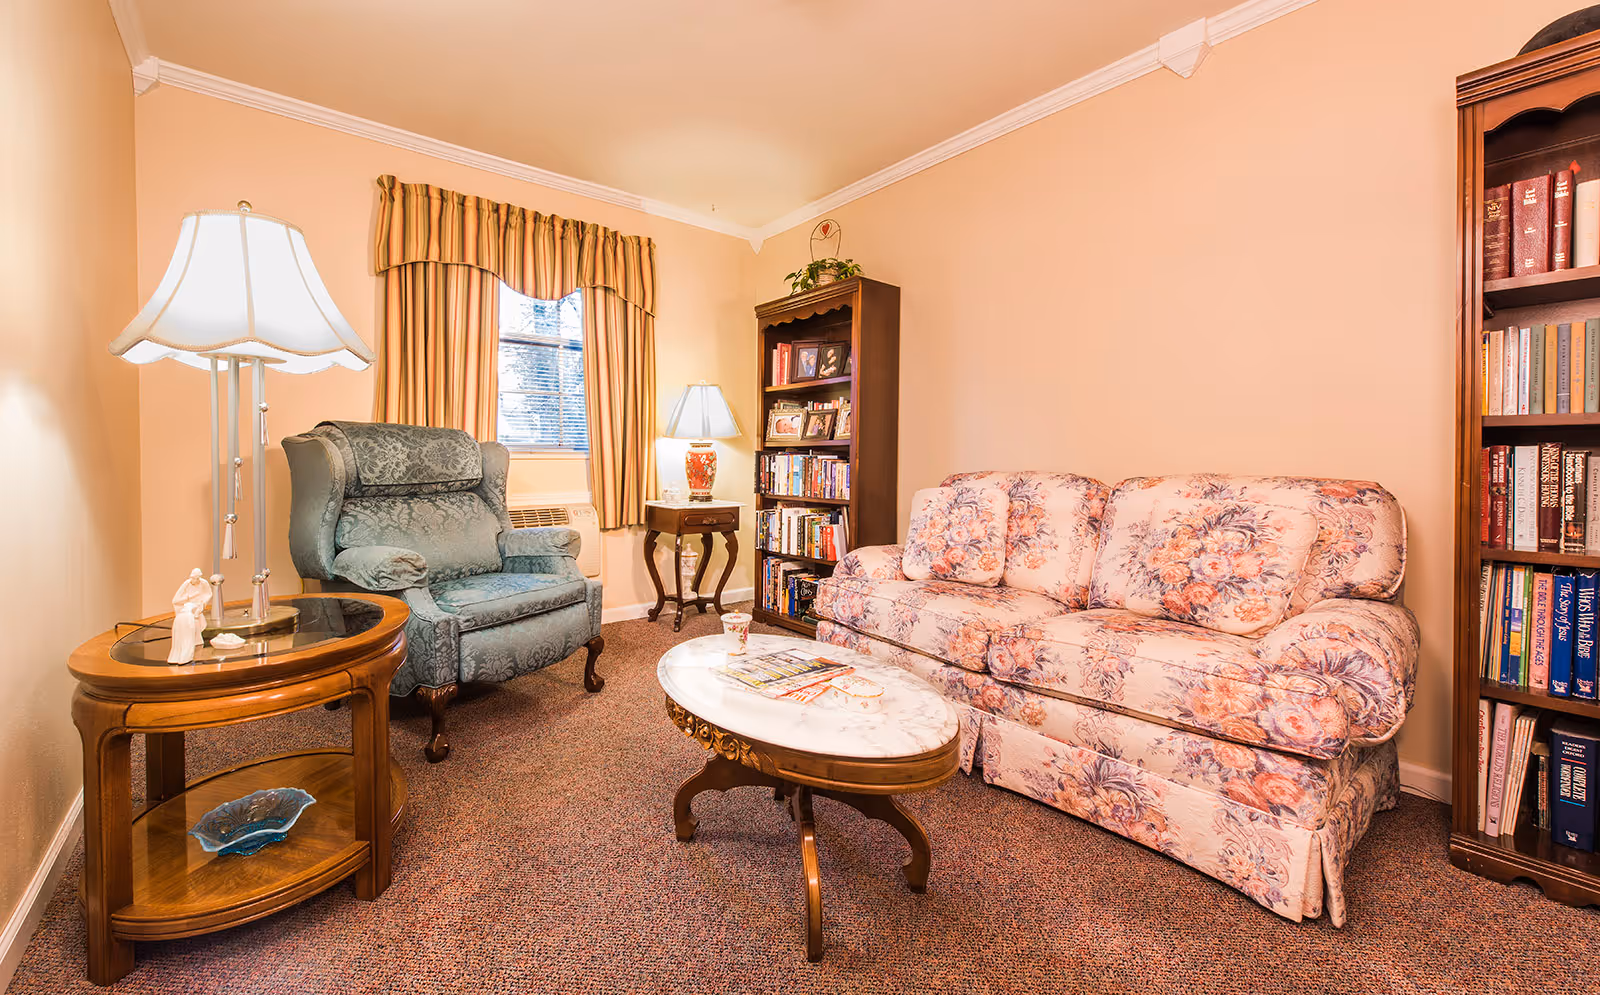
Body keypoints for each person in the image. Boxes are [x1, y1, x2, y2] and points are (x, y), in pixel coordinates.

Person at [167, 568, 214, 664]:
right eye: (193, 578)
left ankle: (195, 644)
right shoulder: (187, 584)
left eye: (196, 578)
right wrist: (189, 598)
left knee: (195, 627)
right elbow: (176, 601)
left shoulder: (203, 583)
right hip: (188, 610)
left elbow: (207, 594)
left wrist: (202, 604)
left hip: (197, 608)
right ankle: (183, 653)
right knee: (187, 626)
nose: (194, 580)